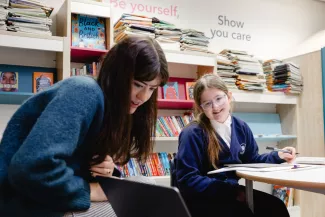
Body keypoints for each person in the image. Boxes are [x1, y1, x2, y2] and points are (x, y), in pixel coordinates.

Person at [0, 35, 169, 216]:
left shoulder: (113, 109)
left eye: (152, 88)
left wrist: (105, 169)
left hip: (48, 203)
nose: (143, 97)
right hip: (24, 205)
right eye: (137, 84)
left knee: (146, 187)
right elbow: (30, 169)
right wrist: (91, 190)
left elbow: (70, 163)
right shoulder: (84, 91)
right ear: (116, 74)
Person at [174, 74, 295, 217]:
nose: (215, 107)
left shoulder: (241, 126)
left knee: (276, 207)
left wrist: (277, 156)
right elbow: (187, 180)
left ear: (229, 96)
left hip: (232, 192)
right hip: (204, 198)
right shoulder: (192, 134)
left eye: (219, 98)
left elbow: (252, 160)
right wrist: (230, 191)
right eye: (207, 103)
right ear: (201, 108)